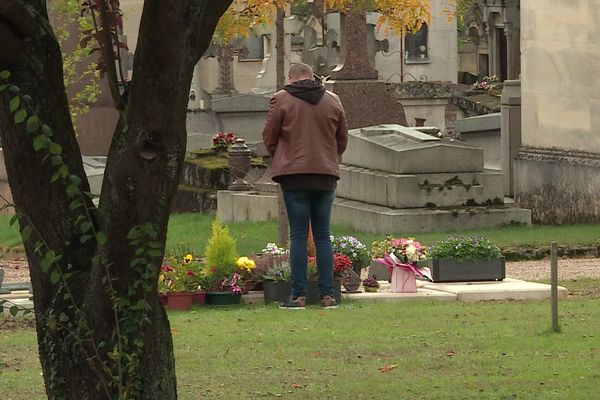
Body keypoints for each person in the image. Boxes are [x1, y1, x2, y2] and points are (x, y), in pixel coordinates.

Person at [262, 62, 348, 310]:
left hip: (294, 176)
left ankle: (298, 296)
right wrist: (328, 156)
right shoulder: (333, 100)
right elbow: (341, 139)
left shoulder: (281, 99)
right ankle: (328, 296)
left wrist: (283, 155)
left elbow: (269, 136)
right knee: (323, 235)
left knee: (298, 235)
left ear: (291, 78)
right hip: (324, 174)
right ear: (312, 78)